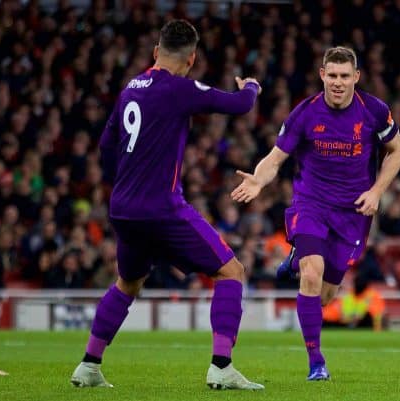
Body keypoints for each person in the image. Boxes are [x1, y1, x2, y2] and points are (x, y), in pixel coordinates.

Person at [70, 19, 264, 390]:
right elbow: (240, 105)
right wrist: (252, 86)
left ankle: (89, 365)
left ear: (156, 52)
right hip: (161, 208)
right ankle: (221, 366)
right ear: (191, 60)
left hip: (123, 209)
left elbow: (106, 147)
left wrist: (124, 181)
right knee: (231, 271)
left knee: (127, 283)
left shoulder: (130, 88)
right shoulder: (179, 89)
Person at [231, 47, 400, 380]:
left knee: (324, 297)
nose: (338, 83)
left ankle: (298, 256)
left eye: (344, 76)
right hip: (311, 204)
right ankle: (316, 362)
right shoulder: (304, 114)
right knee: (311, 274)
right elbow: (275, 158)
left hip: (353, 212)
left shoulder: (374, 110)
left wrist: (376, 191)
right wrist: (258, 179)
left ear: (356, 77)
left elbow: (397, 150)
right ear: (322, 74)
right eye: (332, 75)